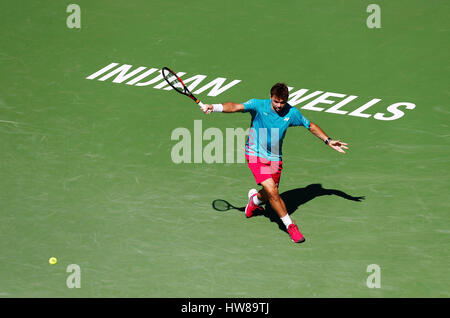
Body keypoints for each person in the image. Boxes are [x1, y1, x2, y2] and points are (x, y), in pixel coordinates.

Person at [202, 83, 348, 243]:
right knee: (272, 191)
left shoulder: (292, 113)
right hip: (255, 154)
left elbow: (310, 125)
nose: (279, 106)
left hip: (274, 158)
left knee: (271, 191)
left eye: (282, 102)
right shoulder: (258, 105)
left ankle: (255, 201)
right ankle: (291, 226)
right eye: (276, 101)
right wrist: (214, 107)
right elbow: (235, 106)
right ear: (271, 97)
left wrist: (328, 140)